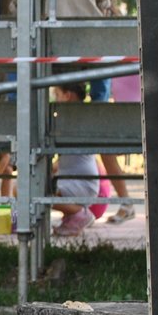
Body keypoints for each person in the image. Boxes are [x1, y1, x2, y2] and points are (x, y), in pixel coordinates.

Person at [49, 81, 102, 237]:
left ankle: (81, 214)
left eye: (57, 95)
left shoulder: (70, 122)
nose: (55, 99)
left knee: (28, 190)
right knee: (36, 186)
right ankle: (73, 216)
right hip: (82, 182)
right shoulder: (77, 119)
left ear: (67, 96)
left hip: (81, 184)